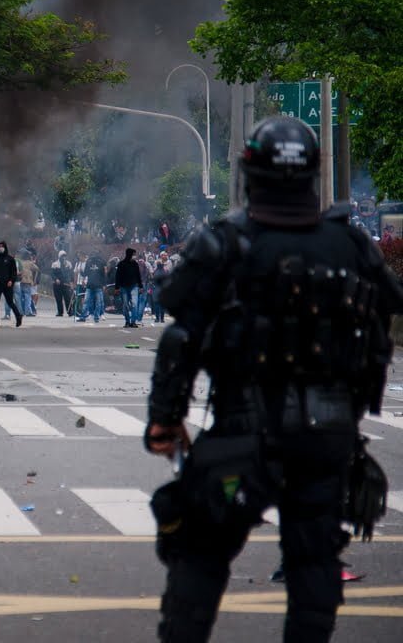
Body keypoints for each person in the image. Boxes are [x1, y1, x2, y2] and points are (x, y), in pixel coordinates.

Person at [144, 116, 403, 642]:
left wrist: (166, 420)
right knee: (314, 563)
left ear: (249, 174)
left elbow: (180, 338)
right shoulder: (353, 247)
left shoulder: (225, 244)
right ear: (311, 174)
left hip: (245, 431)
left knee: (200, 553)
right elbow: (388, 320)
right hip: (327, 438)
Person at [0, 240, 22, 328]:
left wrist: (11, 280)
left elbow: (14, 272)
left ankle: (18, 317)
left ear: (5, 248)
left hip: (8, 284)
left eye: (2, 247)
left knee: (10, 302)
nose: (0, 248)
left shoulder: (10, 259)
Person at [114, 247, 142, 328]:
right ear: (129, 254)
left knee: (134, 304)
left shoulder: (135, 264)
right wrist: (117, 287)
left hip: (134, 286)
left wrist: (140, 286)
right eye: (133, 254)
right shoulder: (121, 264)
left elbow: (138, 275)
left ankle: (133, 322)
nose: (135, 256)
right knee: (125, 305)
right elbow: (117, 276)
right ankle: (127, 321)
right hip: (123, 287)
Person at [50, 250, 73, 317]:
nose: (63, 257)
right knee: (58, 299)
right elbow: (52, 274)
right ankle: (60, 312)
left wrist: (71, 282)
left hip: (66, 284)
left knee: (68, 298)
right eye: (62, 256)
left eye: (65, 256)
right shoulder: (55, 264)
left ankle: (70, 311)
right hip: (57, 285)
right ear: (59, 256)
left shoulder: (69, 264)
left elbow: (71, 274)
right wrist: (56, 279)